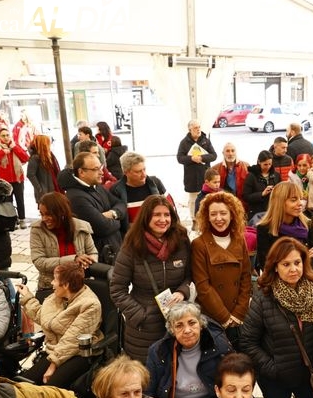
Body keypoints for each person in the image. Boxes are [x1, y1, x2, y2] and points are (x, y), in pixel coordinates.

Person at [239, 237, 313, 398]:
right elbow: (248, 341)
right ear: (275, 266)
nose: (293, 269)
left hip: (310, 376)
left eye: (297, 263)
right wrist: (273, 368)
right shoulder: (264, 297)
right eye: (286, 264)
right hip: (277, 380)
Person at [110, 195, 192, 362]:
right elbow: (117, 289)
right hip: (144, 329)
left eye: (167, 215)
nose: (163, 220)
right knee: (146, 379)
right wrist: (140, 315)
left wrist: (182, 292)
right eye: (157, 215)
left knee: (175, 374)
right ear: (146, 217)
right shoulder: (132, 245)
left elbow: (189, 275)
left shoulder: (181, 241)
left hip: (177, 320)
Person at [16, 263, 103, 392]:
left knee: (48, 392)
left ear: (66, 285)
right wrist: (28, 297)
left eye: (55, 279)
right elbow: (43, 317)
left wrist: (52, 366)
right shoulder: (57, 297)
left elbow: (72, 340)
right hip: (55, 351)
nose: (52, 283)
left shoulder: (90, 305)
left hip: (79, 353)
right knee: (22, 385)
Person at [146, 302, 233, 398]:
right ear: (172, 330)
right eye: (179, 325)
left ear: (201, 324)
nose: (187, 330)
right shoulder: (158, 352)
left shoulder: (219, 346)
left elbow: (234, 383)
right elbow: (148, 394)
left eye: (192, 323)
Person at [191, 191, 251, 344]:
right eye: (213, 214)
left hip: (237, 316)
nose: (218, 218)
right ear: (207, 216)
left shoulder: (239, 239)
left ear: (232, 214)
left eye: (223, 213)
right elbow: (203, 286)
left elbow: (246, 277)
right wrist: (224, 317)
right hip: (212, 316)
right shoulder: (199, 244)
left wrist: (239, 312)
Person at [61, 152, 127, 262]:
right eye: (96, 169)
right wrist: (119, 221)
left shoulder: (96, 187)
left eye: (101, 167)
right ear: (81, 172)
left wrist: (112, 214)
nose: (101, 172)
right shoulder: (76, 197)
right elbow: (102, 227)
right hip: (101, 256)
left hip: (113, 250)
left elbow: (121, 204)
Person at [30, 192, 98, 294]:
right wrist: (74, 259)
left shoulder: (82, 227)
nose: (44, 219)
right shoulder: (37, 229)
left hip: (79, 287)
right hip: (50, 287)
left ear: (62, 212)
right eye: (41, 214)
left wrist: (87, 262)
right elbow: (39, 262)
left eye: (48, 214)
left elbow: (93, 252)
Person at [255, 181, 310, 271]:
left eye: (301, 199)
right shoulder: (264, 228)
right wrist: (306, 257)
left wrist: (282, 262)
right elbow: (265, 264)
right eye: (293, 200)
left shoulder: (308, 225)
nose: (300, 203)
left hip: (305, 280)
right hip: (277, 282)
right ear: (279, 203)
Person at [0, 127, 30, 228]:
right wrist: (2, 152)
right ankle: (13, 220)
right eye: (3, 135)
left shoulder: (15, 145)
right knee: (7, 201)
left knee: (20, 200)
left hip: (18, 178)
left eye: (7, 135)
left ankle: (22, 219)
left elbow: (26, 157)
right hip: (4, 180)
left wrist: (14, 148)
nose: (6, 137)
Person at [110, 151, 169, 224]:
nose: (144, 174)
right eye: (138, 172)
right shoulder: (116, 191)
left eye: (144, 169)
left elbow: (171, 210)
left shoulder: (156, 183)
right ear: (126, 172)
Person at [177, 119, 217, 220]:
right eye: (195, 128)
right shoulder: (184, 142)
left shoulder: (205, 140)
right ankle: (194, 219)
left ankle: (206, 219)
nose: (198, 130)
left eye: (199, 127)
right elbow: (179, 158)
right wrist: (191, 158)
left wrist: (202, 158)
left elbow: (214, 156)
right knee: (193, 200)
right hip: (191, 177)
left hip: (205, 175)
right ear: (190, 129)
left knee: (207, 198)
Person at [242, 150, 280, 222]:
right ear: (259, 162)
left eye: (270, 164)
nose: (268, 166)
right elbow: (245, 196)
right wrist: (262, 194)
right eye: (265, 164)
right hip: (256, 213)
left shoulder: (276, 175)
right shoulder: (251, 176)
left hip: (272, 212)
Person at [27, 134, 61, 205]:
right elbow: (30, 175)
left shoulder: (48, 155)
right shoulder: (35, 158)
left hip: (52, 188)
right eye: (48, 143)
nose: (49, 145)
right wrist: (40, 189)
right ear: (43, 144)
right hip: (44, 191)